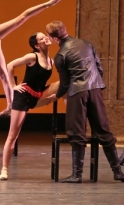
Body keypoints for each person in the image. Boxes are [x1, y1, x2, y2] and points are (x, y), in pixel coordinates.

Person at [45, 20, 124, 183]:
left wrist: (58, 95)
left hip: (77, 92)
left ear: (53, 38)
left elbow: (65, 82)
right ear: (64, 30)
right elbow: (99, 68)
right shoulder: (87, 44)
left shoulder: (60, 55)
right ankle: (118, 172)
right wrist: (94, 85)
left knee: (76, 132)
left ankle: (77, 174)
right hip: (95, 89)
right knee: (103, 130)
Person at [0, 32, 59, 180]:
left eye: (45, 35)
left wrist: (56, 95)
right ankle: (4, 169)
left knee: (65, 84)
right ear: (37, 45)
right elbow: (10, 65)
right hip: (24, 95)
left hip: (38, 95)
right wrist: (13, 85)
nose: (45, 38)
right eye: (41, 38)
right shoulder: (33, 57)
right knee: (13, 134)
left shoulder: (51, 61)